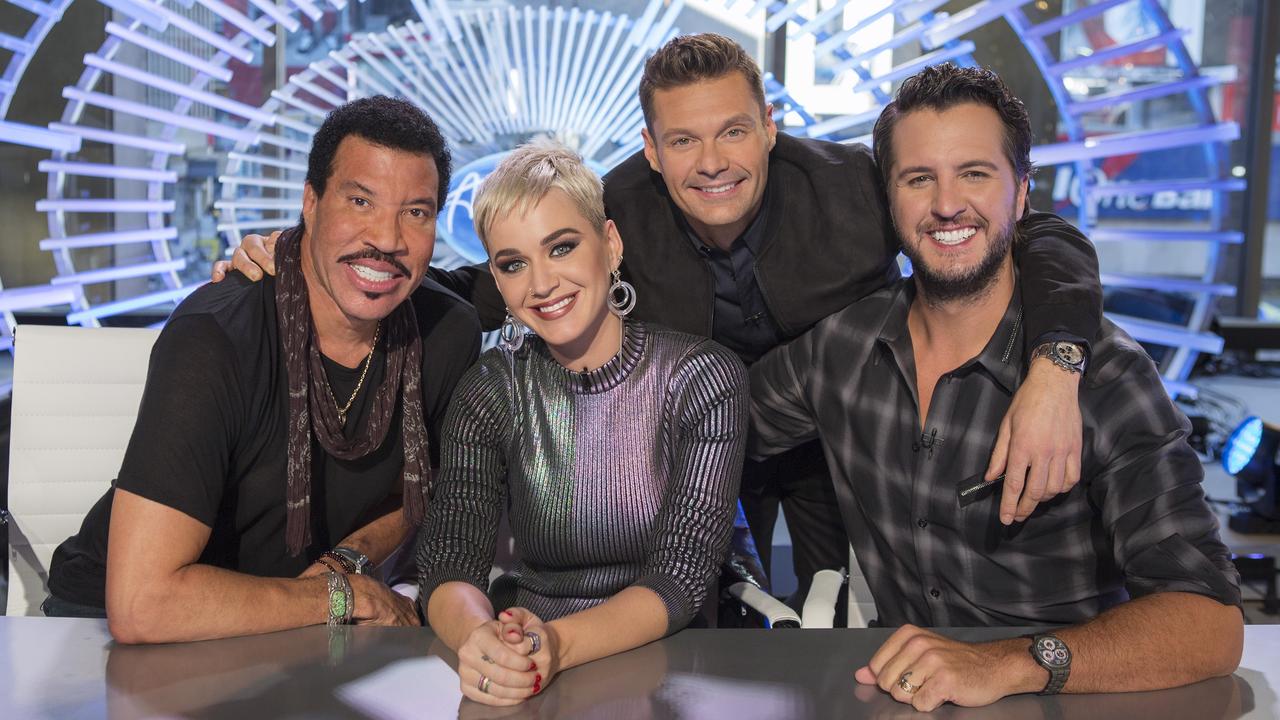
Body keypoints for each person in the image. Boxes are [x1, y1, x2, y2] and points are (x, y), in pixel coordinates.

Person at [214, 34, 1103, 602]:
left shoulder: (854, 186)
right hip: (699, 438)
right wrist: (303, 268)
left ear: (770, 126)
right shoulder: (615, 215)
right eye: (682, 141)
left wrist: (1058, 363)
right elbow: (487, 284)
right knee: (710, 608)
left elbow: (1041, 232)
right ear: (649, 149)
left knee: (840, 621)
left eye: (731, 132)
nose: (710, 162)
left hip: (834, 443)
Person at [749, 63, 1243, 712]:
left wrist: (1010, 664)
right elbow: (710, 424)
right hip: (904, 701)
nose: (947, 204)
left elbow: (1210, 625)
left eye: (975, 174)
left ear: (1021, 194)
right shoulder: (840, 349)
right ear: (888, 199)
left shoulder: (1103, 376)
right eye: (918, 178)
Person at [44, 97, 481, 642]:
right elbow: (143, 605)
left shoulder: (445, 331)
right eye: (361, 201)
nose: (388, 238)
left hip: (299, 619)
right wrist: (342, 595)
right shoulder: (216, 337)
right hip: (111, 631)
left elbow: (416, 491)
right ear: (311, 203)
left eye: (415, 211)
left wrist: (346, 563)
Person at [414, 141, 748, 706]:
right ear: (496, 279)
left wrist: (558, 645)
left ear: (610, 244)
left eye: (561, 247)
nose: (541, 284)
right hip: (532, 671)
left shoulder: (702, 377)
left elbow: (683, 573)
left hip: (677, 674)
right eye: (513, 263)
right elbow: (450, 559)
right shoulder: (491, 387)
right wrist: (481, 640)